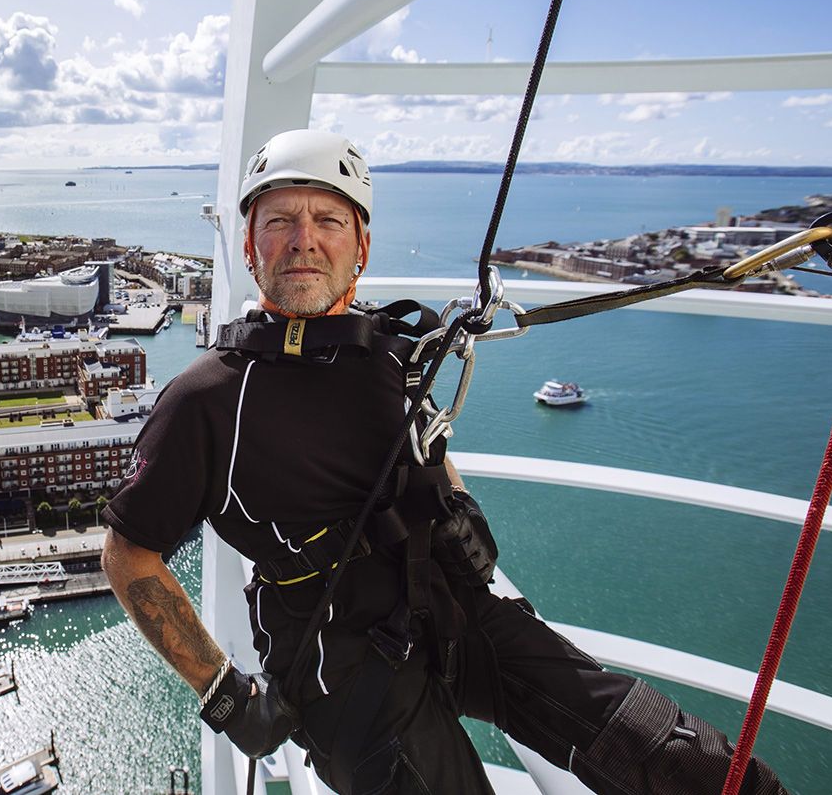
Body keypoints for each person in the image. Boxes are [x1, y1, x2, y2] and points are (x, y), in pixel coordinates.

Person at [101, 129, 787, 795]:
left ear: (361, 247)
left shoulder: (393, 355)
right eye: (278, 221)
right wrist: (224, 694)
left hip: (455, 606)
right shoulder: (208, 399)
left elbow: (425, 451)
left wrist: (461, 511)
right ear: (249, 247)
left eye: (328, 220)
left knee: (674, 757)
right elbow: (129, 553)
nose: (303, 239)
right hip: (340, 663)